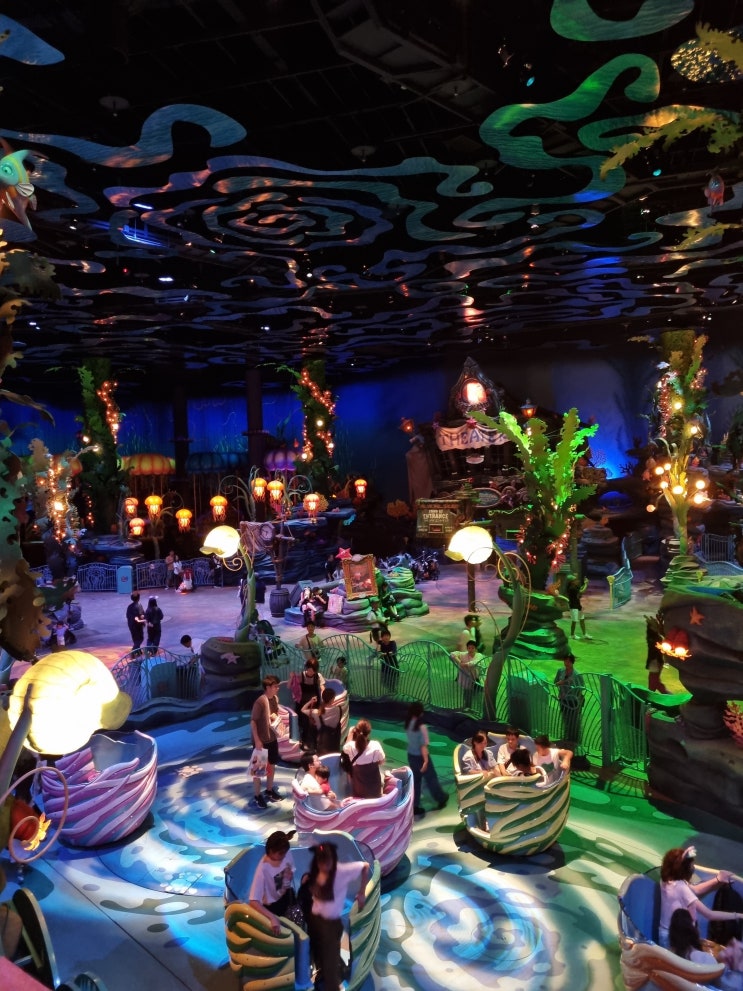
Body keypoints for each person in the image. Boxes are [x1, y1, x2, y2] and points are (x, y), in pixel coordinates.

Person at [304, 841, 369, 991]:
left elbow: (365, 866)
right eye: (321, 863)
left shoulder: (342, 871)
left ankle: (333, 983)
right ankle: (322, 973)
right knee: (317, 951)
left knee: (330, 957)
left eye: (327, 863)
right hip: (315, 919)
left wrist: (362, 892)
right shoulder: (316, 870)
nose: (324, 867)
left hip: (330, 923)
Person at [658, 846, 740, 949]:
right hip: (675, 937)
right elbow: (709, 914)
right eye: (691, 865)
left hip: (664, 932)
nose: (693, 868)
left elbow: (696, 890)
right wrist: (738, 915)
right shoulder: (681, 888)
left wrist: (718, 879)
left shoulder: (667, 880)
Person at [248, 829, 297, 934]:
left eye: (279, 856)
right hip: (272, 906)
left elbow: (290, 871)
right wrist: (272, 917)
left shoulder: (286, 852)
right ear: (269, 851)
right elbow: (253, 901)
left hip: (286, 896)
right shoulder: (263, 868)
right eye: (271, 857)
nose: (274, 861)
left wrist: (288, 876)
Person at [405, 702, 448, 817]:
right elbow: (423, 746)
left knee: (416, 781)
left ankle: (414, 805)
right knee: (431, 778)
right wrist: (425, 761)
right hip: (420, 757)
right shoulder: (421, 727)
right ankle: (441, 798)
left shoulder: (409, 723)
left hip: (411, 755)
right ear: (421, 713)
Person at [250, 674, 283, 810]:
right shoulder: (260, 702)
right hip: (262, 741)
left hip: (272, 738)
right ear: (268, 687)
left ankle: (269, 790)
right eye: (275, 686)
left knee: (272, 765)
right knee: (258, 770)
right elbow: (253, 721)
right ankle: (257, 795)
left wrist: (275, 717)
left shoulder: (274, 699)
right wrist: (257, 740)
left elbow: (274, 715)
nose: (277, 689)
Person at [342, 719, 385, 798]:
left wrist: (350, 733)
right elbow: (382, 761)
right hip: (375, 791)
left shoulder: (350, 747)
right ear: (369, 733)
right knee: (383, 776)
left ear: (356, 731)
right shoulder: (376, 745)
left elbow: (345, 748)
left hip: (359, 791)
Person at [302, 686, 342, 756]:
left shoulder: (316, 712)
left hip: (322, 749)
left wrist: (311, 701)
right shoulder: (339, 709)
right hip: (335, 747)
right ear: (332, 699)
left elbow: (302, 710)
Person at [554, 652, 584, 745]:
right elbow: (555, 683)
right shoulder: (560, 671)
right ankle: (566, 737)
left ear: (572, 662)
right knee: (565, 719)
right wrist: (561, 682)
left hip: (573, 701)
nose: (566, 663)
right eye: (565, 661)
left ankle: (574, 740)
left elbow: (581, 689)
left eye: (568, 661)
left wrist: (579, 703)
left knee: (574, 721)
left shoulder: (577, 674)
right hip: (563, 700)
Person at [296, 656, 325, 751]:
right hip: (303, 704)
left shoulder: (318, 676)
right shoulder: (301, 675)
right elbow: (295, 688)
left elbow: (322, 687)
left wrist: (324, 695)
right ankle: (304, 741)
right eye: (309, 670)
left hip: (315, 702)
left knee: (315, 722)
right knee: (305, 723)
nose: (310, 672)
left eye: (312, 671)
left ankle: (315, 742)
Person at [450, 639, 486, 709]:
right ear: (467, 648)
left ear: (475, 648)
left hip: (477, 679)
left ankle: (476, 709)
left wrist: (465, 664)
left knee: (478, 695)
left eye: (472, 648)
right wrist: (459, 662)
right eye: (469, 648)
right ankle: (467, 707)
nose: (471, 650)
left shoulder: (479, 655)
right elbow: (452, 654)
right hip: (467, 679)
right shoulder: (464, 654)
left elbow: (476, 662)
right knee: (467, 694)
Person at [645, 614, 670, 693]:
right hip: (654, 662)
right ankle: (654, 694)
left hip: (656, 662)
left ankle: (667, 694)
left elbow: (663, 651)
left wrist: (666, 662)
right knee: (654, 682)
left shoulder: (657, 639)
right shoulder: (652, 637)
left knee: (654, 682)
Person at [566, 574, 591, 640]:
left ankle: (585, 634)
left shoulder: (575, 586)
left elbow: (581, 589)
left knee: (582, 619)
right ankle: (572, 635)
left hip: (578, 605)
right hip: (573, 606)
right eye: (575, 580)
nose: (577, 580)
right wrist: (586, 584)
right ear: (572, 582)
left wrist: (584, 584)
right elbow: (582, 591)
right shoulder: (572, 588)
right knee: (574, 621)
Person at [377, 628, 399, 692]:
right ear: (382, 637)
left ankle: (393, 690)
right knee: (385, 680)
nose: (386, 637)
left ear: (390, 636)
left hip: (393, 664)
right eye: (384, 636)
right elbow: (378, 653)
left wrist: (385, 654)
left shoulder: (392, 643)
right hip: (385, 666)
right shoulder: (381, 644)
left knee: (393, 679)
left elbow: (393, 651)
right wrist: (379, 644)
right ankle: (390, 690)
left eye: (388, 635)